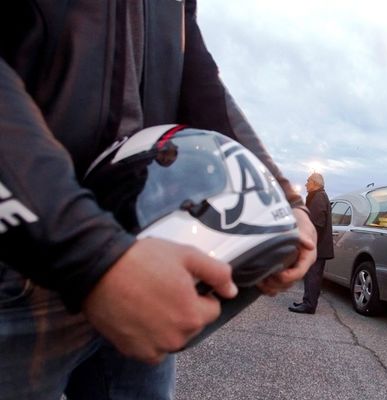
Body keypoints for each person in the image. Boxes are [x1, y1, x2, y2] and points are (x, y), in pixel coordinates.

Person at [0, 2, 316, 399]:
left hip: (142, 258)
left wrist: (288, 204)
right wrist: (92, 256)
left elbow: (200, 82)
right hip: (26, 257)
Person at [289, 173, 334, 314]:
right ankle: (307, 301)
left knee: (313, 276)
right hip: (317, 246)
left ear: (315, 183)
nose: (306, 184)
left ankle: (309, 305)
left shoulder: (319, 197)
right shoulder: (318, 196)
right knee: (311, 275)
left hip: (317, 246)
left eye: (308, 181)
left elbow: (317, 224)